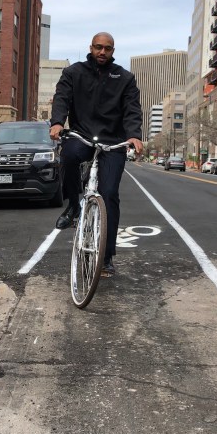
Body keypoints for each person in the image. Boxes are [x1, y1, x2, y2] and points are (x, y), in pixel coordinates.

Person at [49, 32, 144, 277]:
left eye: (107, 48)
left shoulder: (125, 78)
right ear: (91, 47)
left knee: (109, 194)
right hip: (82, 135)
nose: (102, 52)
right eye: (98, 47)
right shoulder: (74, 72)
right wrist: (57, 122)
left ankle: (106, 257)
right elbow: (62, 98)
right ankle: (73, 206)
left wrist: (134, 135)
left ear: (113, 51)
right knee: (69, 156)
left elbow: (132, 109)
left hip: (113, 141)